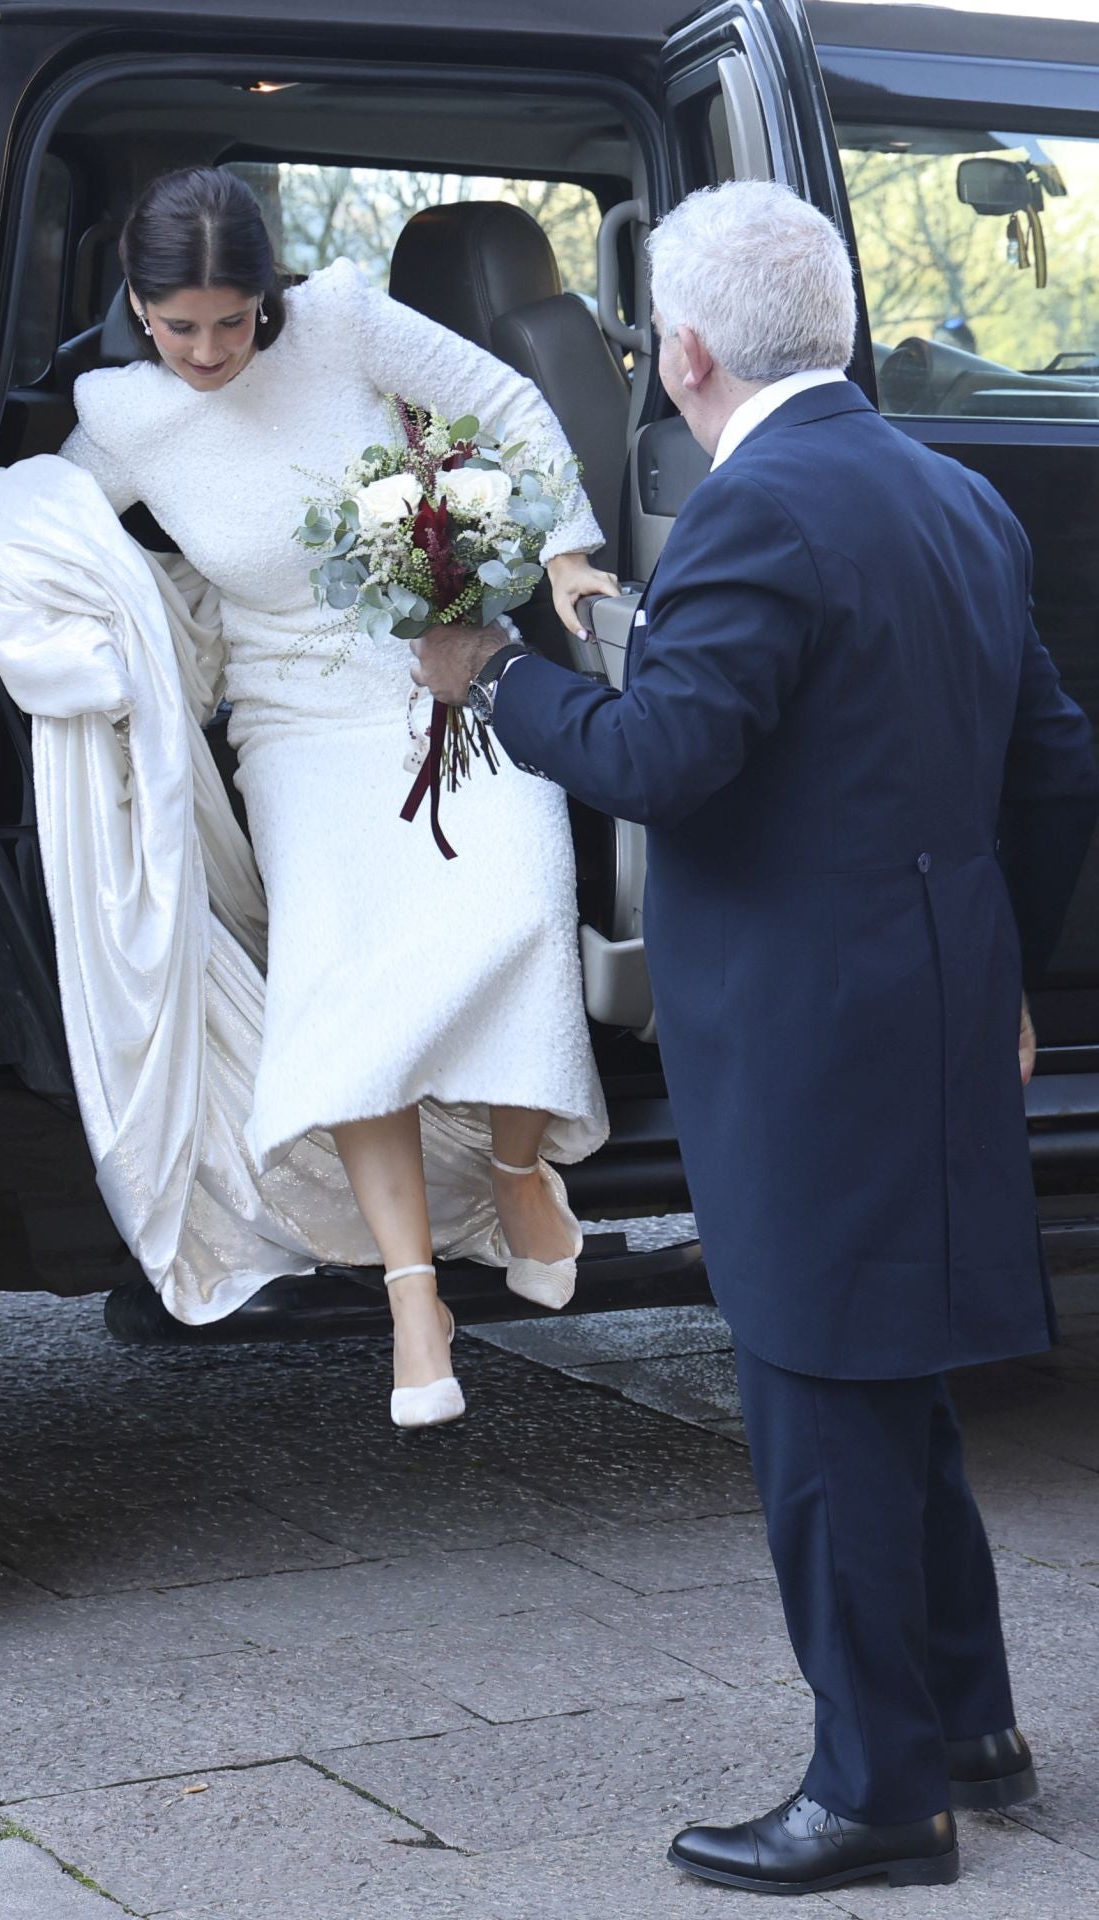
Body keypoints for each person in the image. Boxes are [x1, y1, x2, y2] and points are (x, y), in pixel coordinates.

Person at [411, 179, 1099, 1894]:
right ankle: (966, 1728)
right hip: (932, 995)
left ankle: (878, 1794)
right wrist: (1000, 966)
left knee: (814, 1403)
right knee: (894, 1388)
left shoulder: (755, 512)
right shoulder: (957, 494)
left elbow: (662, 760)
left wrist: (494, 673)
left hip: (812, 1032)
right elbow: (1058, 763)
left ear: (685, 351)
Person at [59, 167, 613, 1428]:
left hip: (438, 662)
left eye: (234, 320)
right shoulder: (123, 418)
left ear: (271, 298)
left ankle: (521, 1167)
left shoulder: (350, 321)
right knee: (345, 977)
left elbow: (505, 401)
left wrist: (566, 546)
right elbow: (50, 530)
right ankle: (415, 1298)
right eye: (180, 324)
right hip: (295, 723)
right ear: (139, 308)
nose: (208, 350)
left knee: (522, 904)